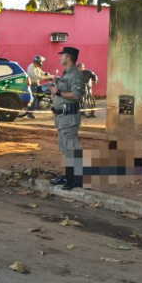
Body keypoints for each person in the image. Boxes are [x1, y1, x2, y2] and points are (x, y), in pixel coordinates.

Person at [48, 46, 85, 190]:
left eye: (62, 55)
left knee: (71, 149)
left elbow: (76, 95)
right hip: (61, 117)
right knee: (64, 149)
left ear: (68, 58)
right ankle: (66, 176)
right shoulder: (65, 73)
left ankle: (75, 180)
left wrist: (58, 93)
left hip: (69, 118)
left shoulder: (75, 75)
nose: (60, 57)